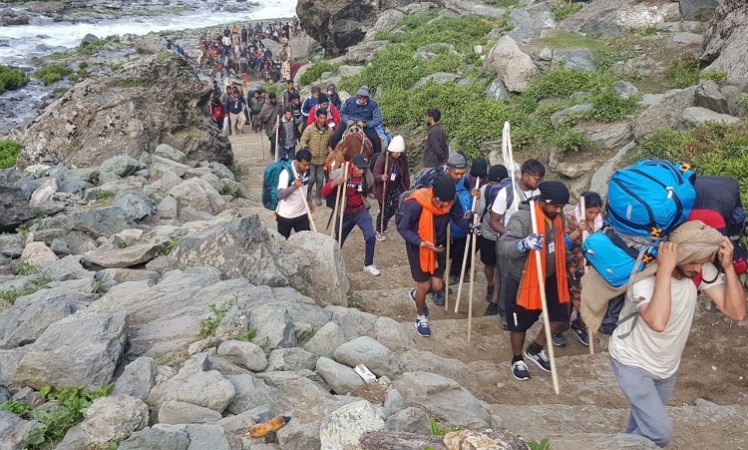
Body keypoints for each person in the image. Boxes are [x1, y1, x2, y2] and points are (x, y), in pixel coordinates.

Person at [609, 227, 745, 447]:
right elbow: (657, 321)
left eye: (702, 262)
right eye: (693, 262)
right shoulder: (645, 278)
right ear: (679, 256)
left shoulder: (699, 271)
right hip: (632, 362)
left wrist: (728, 267)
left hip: (666, 370)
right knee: (659, 433)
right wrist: (664, 270)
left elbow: (736, 312)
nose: (698, 267)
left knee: (639, 432)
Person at [498, 181, 572, 381]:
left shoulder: (558, 216)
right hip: (523, 278)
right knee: (519, 324)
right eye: (555, 206)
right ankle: (517, 358)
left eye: (561, 207)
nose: (558, 211)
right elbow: (504, 247)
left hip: (551, 275)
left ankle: (536, 348)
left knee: (561, 319)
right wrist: (524, 244)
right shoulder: (522, 218)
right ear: (543, 201)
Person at [398, 175, 472, 337]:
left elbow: (458, 217)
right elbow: (403, 228)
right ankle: (420, 317)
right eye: (442, 203)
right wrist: (421, 243)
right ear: (434, 196)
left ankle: (417, 294)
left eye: (449, 203)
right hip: (418, 246)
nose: (446, 207)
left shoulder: (451, 201)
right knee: (424, 285)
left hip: (438, 245)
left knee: (437, 286)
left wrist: (470, 226)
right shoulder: (417, 203)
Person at [488, 159, 544, 319]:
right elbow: (494, 221)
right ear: (525, 176)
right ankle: (505, 312)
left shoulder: (539, 193)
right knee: (507, 278)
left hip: (532, 244)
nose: (538, 182)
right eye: (536, 179)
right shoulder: (506, 193)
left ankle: (522, 307)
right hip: (509, 244)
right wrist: (513, 237)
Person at [552, 191, 603, 347]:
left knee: (586, 300)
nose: (593, 216)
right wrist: (578, 232)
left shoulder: (601, 221)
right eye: (590, 212)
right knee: (566, 300)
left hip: (591, 266)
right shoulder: (569, 218)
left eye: (597, 212)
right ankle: (558, 329)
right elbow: (561, 244)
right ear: (583, 208)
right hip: (570, 266)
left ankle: (579, 325)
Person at [321, 153, 380, 276]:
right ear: (353, 165)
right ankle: (332, 261)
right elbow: (324, 192)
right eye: (359, 168)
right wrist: (334, 183)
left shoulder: (367, 177)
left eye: (364, 168)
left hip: (360, 211)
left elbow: (368, 188)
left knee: (370, 236)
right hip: (345, 212)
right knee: (337, 239)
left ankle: (368, 264)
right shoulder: (341, 173)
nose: (362, 171)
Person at [446, 155, 485, 288]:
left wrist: (474, 194)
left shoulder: (465, 180)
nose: (459, 176)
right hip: (450, 227)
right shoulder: (443, 182)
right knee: (450, 253)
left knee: (464, 250)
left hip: (464, 223)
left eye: (462, 173)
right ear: (448, 170)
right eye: (456, 173)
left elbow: (470, 192)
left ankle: (461, 272)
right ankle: (446, 277)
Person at [476, 165, 509, 314]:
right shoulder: (485, 190)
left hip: (502, 236)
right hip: (489, 232)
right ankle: (491, 285)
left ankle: (495, 299)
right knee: (489, 264)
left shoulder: (508, 193)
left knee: (498, 267)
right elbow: (478, 210)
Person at [373, 135, 410, 241]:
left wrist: (406, 190)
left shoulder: (402, 159)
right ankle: (379, 229)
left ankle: (384, 221)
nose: (398, 155)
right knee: (384, 209)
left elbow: (406, 174)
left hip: (396, 186)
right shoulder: (382, 159)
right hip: (383, 188)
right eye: (397, 153)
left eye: (400, 153)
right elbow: (375, 175)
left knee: (397, 205)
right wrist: (381, 177)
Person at [331, 86, 384, 156]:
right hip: (349, 122)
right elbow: (342, 113)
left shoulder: (373, 104)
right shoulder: (349, 101)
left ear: (367, 98)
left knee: (376, 140)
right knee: (335, 137)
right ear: (356, 97)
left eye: (364, 99)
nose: (361, 101)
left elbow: (378, 119)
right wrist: (347, 121)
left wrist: (366, 124)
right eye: (359, 99)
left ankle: (376, 159)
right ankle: (332, 156)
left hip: (365, 124)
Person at [275, 149, 315, 239]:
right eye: (304, 165)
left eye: (309, 164)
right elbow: (280, 195)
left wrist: (309, 200)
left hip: (302, 214)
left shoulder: (306, 171)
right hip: (285, 216)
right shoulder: (286, 173)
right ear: (297, 162)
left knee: (307, 241)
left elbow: (305, 186)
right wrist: (294, 187)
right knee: (282, 242)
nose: (307, 167)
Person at [300, 108, 334, 206]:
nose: (323, 120)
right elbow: (302, 141)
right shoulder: (310, 129)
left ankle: (318, 196)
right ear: (317, 117)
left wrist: (331, 153)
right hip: (310, 160)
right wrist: (309, 151)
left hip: (323, 160)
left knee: (320, 179)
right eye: (321, 118)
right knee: (310, 179)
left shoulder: (330, 130)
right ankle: (307, 193)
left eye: (325, 118)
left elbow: (330, 144)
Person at [258, 92, 282, 158]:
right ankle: (273, 152)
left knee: (278, 139)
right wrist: (261, 119)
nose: (273, 100)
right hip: (270, 124)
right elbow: (261, 114)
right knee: (272, 138)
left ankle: (277, 152)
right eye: (272, 99)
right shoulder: (266, 105)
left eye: (274, 99)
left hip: (278, 123)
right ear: (270, 99)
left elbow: (283, 111)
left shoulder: (279, 104)